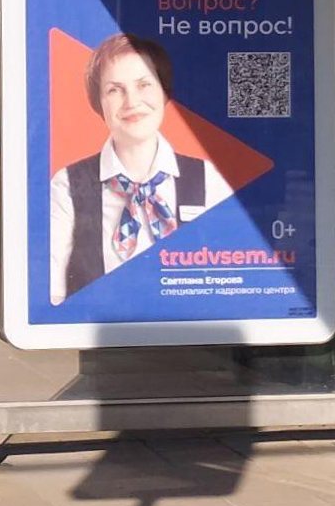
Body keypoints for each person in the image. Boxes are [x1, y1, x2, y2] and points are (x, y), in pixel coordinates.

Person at [47, 32, 228, 306]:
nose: (131, 101)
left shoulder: (209, 180)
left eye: (144, 85)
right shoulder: (67, 186)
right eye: (114, 90)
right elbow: (53, 294)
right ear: (98, 103)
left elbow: (229, 278)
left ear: (164, 92)